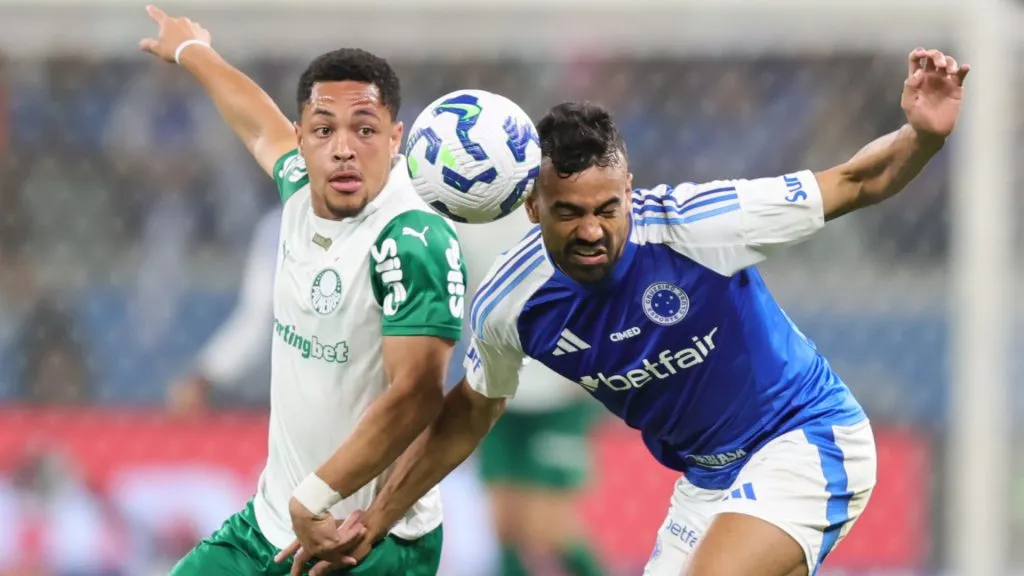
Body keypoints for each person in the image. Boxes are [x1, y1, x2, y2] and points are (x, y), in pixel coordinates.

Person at [334, 48, 969, 576]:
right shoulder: (510, 304)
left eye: (608, 208)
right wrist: (377, 518)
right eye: (568, 213)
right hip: (706, 482)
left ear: (630, 191)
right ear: (532, 210)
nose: (592, 230)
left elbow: (855, 182)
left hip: (805, 436)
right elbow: (470, 409)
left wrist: (923, 134)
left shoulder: (701, 225)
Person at [139, 5, 468, 575]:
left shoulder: (412, 239)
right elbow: (254, 120)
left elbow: (417, 393)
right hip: (271, 522)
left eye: (364, 130)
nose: (343, 148)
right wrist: (192, 51)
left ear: (395, 139)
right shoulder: (296, 189)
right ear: (302, 138)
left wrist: (315, 497)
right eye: (324, 130)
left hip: (366, 542)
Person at [458, 211, 605, 576]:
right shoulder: (457, 216)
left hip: (556, 391)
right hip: (494, 389)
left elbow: (597, 288)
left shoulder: (551, 211)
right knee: (504, 523)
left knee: (548, 525)